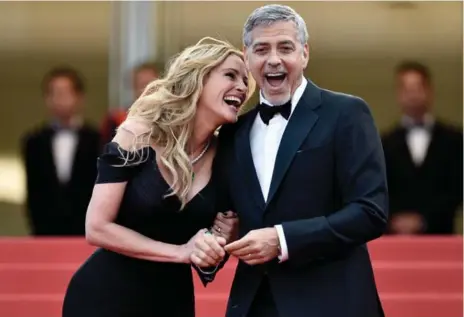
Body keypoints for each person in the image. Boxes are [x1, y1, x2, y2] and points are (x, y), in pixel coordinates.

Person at [191, 5, 388, 317]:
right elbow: (226, 217)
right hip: (255, 304)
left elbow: (370, 211)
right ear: (247, 57)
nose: (273, 59)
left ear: (304, 54)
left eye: (285, 47)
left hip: (332, 303)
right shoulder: (233, 132)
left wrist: (283, 239)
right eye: (261, 49)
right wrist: (214, 242)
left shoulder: (346, 114)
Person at [62, 37, 253, 317]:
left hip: (172, 301)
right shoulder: (139, 133)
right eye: (230, 75)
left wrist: (216, 244)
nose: (242, 86)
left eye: (246, 81)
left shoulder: (228, 156)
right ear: (198, 79)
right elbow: (97, 227)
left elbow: (207, 262)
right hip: (105, 296)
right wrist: (181, 252)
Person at [382, 61, 462, 235]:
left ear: (430, 91)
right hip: (394, 237)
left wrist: (424, 220)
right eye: (406, 89)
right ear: (399, 94)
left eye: (417, 88)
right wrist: (395, 219)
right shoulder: (383, 142)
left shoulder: (454, 140)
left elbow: (457, 188)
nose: (412, 95)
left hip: (441, 235)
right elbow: (378, 189)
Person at [21, 66, 100, 236]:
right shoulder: (33, 142)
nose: (60, 99)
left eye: (65, 93)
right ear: (46, 98)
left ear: (79, 97)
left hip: (88, 232)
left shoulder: (98, 140)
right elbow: (32, 193)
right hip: (45, 233)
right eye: (54, 93)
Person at [100, 62, 159, 145]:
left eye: (152, 85)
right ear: (134, 86)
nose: (148, 90)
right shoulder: (117, 119)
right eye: (143, 85)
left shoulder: (169, 119)